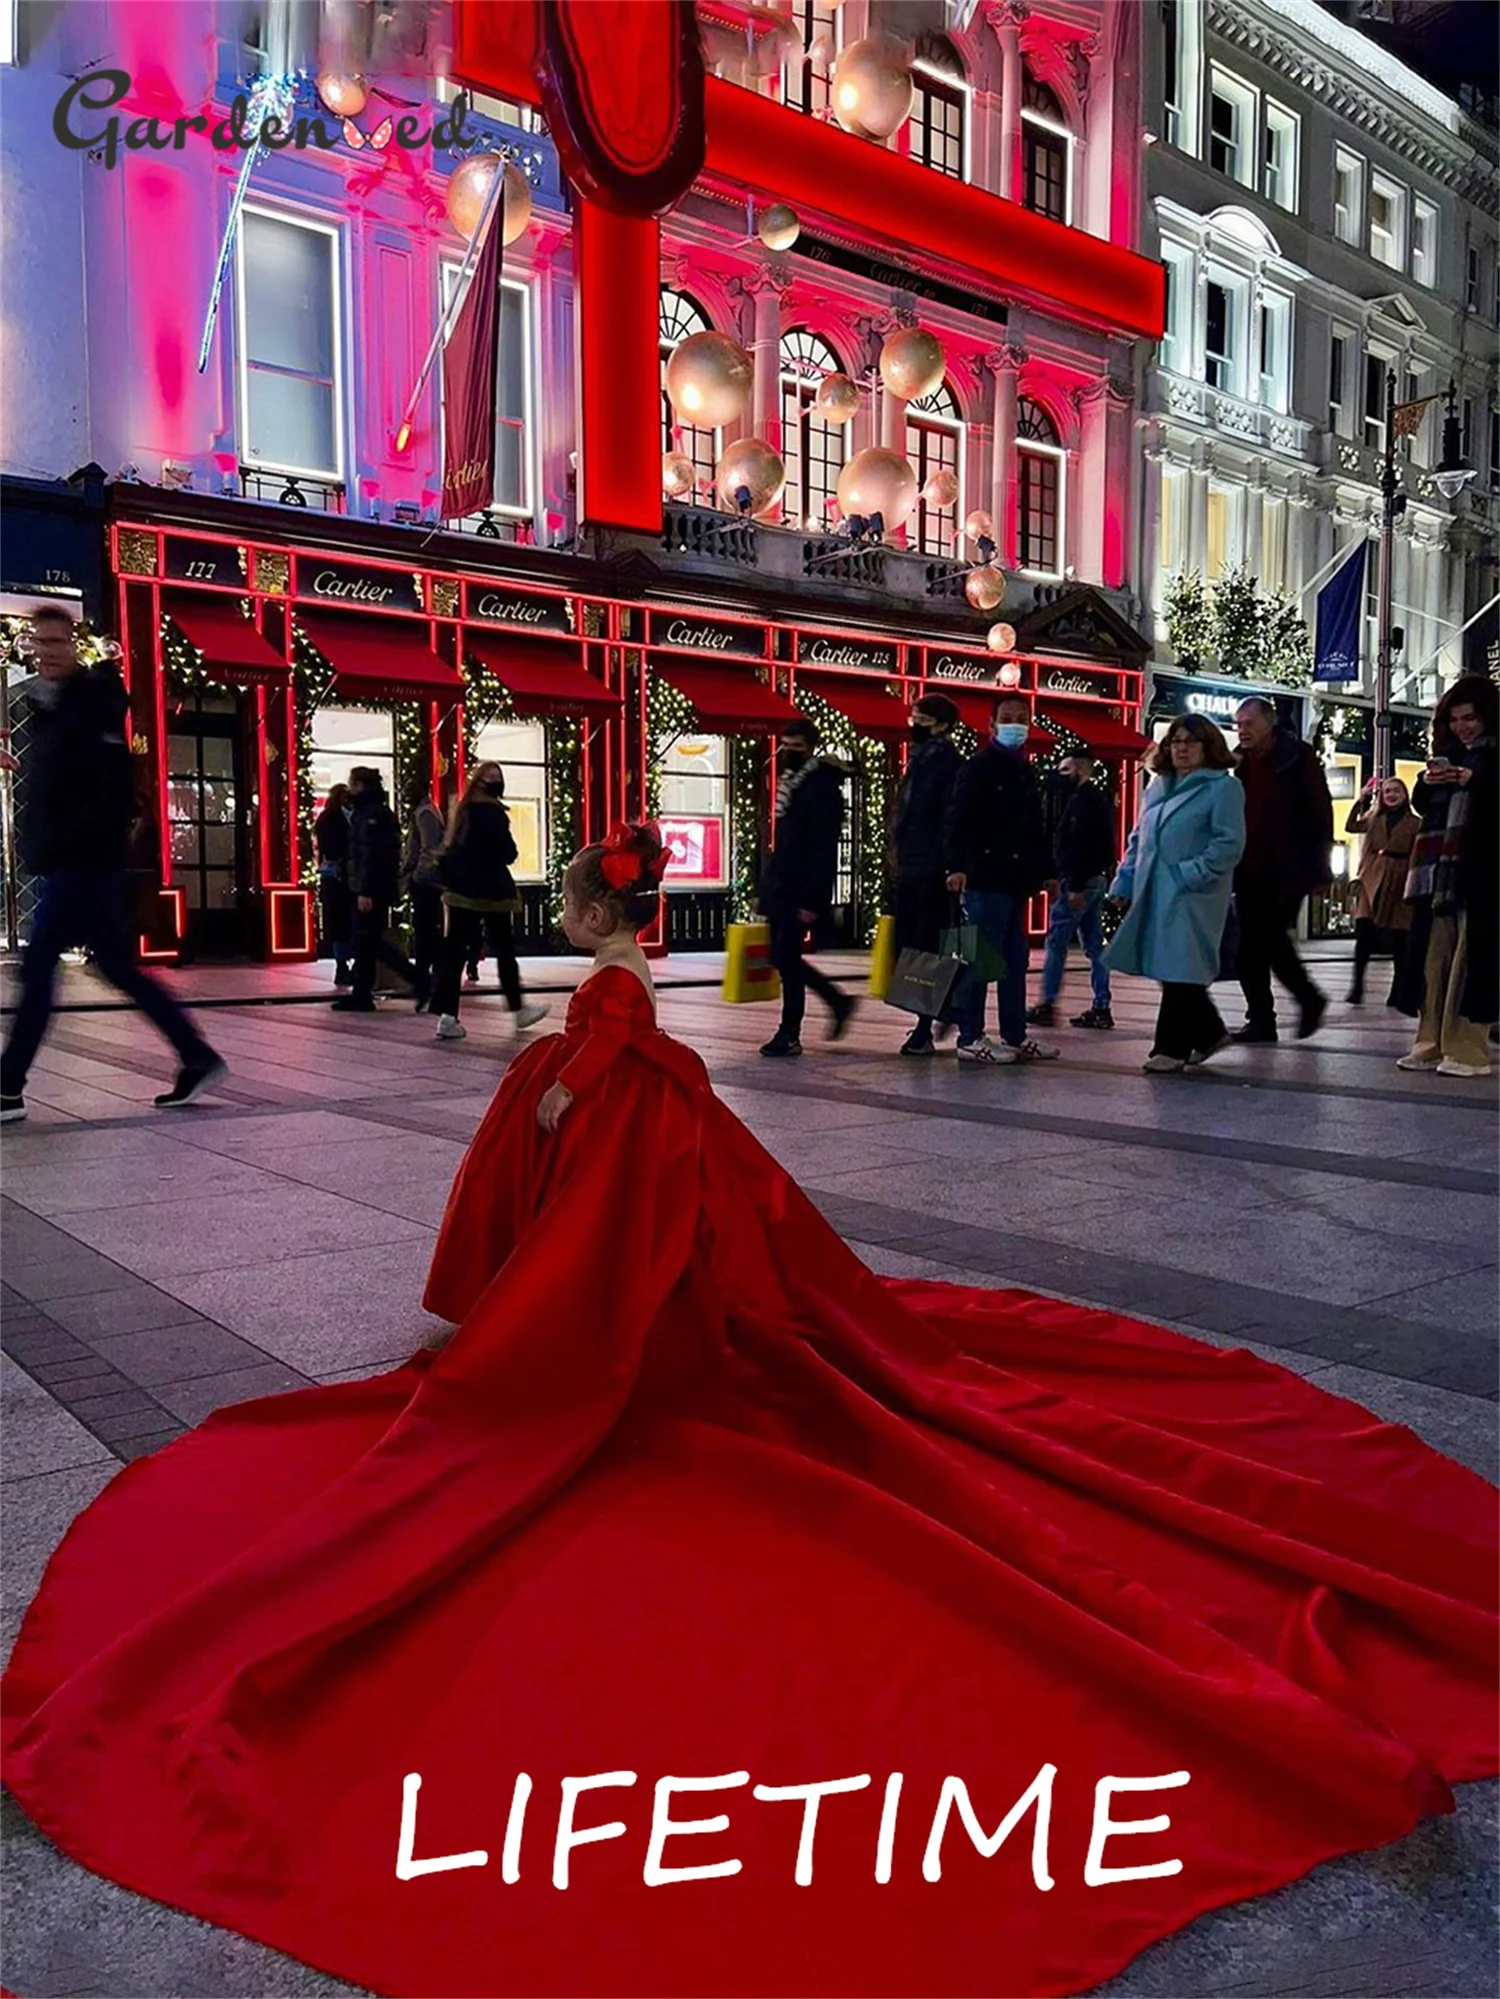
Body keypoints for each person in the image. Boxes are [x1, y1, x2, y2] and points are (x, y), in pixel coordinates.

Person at [4, 828, 1496, 1999]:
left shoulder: (608, 994)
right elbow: (611, 1049)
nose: (577, 928)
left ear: (594, 919)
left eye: (579, 912)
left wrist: (546, 1103)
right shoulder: (632, 985)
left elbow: (595, 1058)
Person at [0, 606, 225, 1123]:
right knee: (116, 968)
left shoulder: (92, 703)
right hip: (73, 862)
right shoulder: (52, 707)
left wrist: (70, 846)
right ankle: (197, 1055)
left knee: (39, 971)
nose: (47, 652)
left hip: (84, 864)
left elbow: (108, 793)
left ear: (74, 645)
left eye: (56, 642)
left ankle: (9, 1085)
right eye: (40, 643)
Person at [1106, 717, 1246, 1074]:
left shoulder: (1222, 788)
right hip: (1154, 890)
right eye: (1176, 741)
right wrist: (1125, 880)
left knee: (1181, 964)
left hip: (1193, 895)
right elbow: (1139, 838)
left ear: (1208, 746)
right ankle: (1210, 1033)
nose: (1182, 748)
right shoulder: (1159, 785)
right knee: (1168, 965)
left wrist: (1193, 873)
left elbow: (1229, 843)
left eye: (1191, 741)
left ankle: (1171, 1047)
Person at [943, 691, 1056, 1064]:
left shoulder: (1025, 769)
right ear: (991, 725)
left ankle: (1013, 1033)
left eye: (1021, 717)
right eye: (1007, 717)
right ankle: (970, 1036)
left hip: (1014, 881)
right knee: (981, 960)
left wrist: (1047, 871)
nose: (1015, 725)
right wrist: (957, 865)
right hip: (984, 878)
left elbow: (1034, 827)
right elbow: (958, 819)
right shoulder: (978, 768)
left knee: (1014, 960)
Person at [1394, 675, 1498, 1078]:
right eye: (1455, 719)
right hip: (1438, 877)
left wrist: (1477, 782)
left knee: (1472, 961)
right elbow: (1424, 807)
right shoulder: (1450, 754)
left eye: (1470, 718)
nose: (1463, 727)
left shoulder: (1491, 758)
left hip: (1483, 873)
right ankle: (1430, 1041)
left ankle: (1470, 1048)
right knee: (1432, 959)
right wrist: (1427, 782)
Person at [1231, 697, 1334, 1043]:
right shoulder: (1242, 761)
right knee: (1249, 946)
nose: (1242, 730)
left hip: (1288, 865)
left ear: (1269, 723)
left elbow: (1320, 810)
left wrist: (1321, 867)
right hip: (1248, 865)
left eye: (1248, 723)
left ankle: (1307, 998)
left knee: (1270, 938)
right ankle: (1262, 1018)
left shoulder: (1296, 757)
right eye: (1239, 724)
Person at [428, 761, 548, 1043]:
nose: (497, 782)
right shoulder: (493, 813)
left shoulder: (463, 809)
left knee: (454, 952)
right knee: (504, 950)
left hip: (460, 889)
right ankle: (519, 1008)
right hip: (492, 890)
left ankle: (447, 1015)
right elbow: (508, 852)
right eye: (493, 777)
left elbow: (452, 845)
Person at [757, 716, 855, 1058]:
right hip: (781, 885)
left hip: (799, 889)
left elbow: (823, 848)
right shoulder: (791, 781)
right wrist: (766, 887)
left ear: (811, 748)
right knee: (781, 956)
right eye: (785, 745)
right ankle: (836, 1001)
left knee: (786, 957)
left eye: (796, 747)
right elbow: (782, 842)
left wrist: (812, 899)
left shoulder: (821, 787)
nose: (788, 752)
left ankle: (790, 1032)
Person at [889, 691, 963, 1056]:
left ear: (943, 726)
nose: (914, 724)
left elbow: (949, 816)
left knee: (928, 945)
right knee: (913, 945)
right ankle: (940, 1010)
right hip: (914, 863)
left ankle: (926, 1024)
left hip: (932, 866)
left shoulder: (946, 762)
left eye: (923, 719)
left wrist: (951, 863)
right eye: (913, 717)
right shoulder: (919, 760)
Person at [1027, 751, 1116, 1031]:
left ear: (1079, 770)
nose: (1059, 776)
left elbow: (1080, 845)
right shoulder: (1092, 800)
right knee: (1093, 945)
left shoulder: (1083, 803)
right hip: (1092, 881)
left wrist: (1074, 884)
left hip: (1080, 882)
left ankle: (1047, 1004)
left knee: (1056, 943)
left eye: (1064, 770)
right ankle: (1101, 1006)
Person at [332, 765, 428, 1015]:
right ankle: (362, 994)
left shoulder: (371, 815)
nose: (349, 788)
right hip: (371, 888)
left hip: (370, 890)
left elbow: (370, 855)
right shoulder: (370, 812)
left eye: (353, 783)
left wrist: (365, 890)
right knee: (366, 943)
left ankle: (418, 980)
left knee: (370, 942)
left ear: (361, 786)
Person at [1344, 776, 1420, 1006]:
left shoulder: (1415, 822)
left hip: (1399, 876)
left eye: (1396, 791)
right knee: (1364, 932)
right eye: (1387, 791)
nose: (1392, 795)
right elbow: (1351, 825)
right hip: (1372, 877)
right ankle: (1357, 986)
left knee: (1399, 936)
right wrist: (1362, 799)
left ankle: (1398, 990)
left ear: (1405, 794)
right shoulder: (1374, 818)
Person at [400, 775, 447, 1003]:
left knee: (425, 928)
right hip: (428, 880)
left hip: (427, 881)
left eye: (410, 789)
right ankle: (429, 974)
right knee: (427, 928)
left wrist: (417, 874)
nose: (405, 795)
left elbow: (429, 848)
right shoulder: (427, 811)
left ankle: (425, 976)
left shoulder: (425, 813)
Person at [314, 783, 353, 987]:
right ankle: (342, 965)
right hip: (338, 878)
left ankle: (344, 965)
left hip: (338, 878)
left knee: (342, 924)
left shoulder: (331, 818)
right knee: (340, 923)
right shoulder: (333, 820)